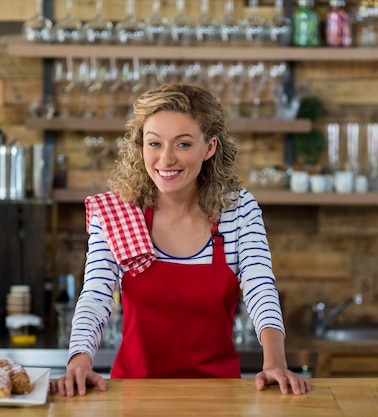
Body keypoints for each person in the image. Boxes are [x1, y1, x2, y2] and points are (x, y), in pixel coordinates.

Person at [51, 83, 311, 397]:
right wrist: (78, 363)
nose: (166, 159)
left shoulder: (237, 210)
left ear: (210, 147)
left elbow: (260, 286)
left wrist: (275, 361)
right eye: (154, 143)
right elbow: (96, 295)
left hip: (218, 395)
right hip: (134, 395)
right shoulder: (119, 213)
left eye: (183, 144)